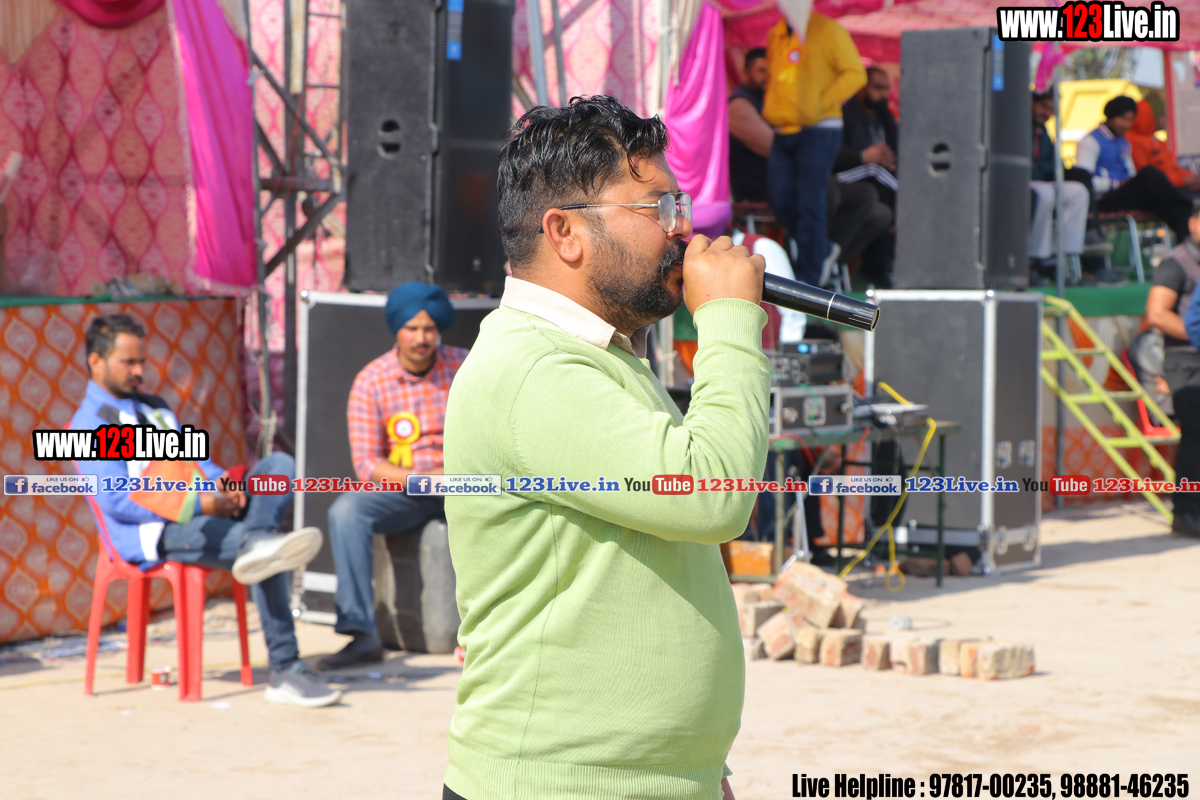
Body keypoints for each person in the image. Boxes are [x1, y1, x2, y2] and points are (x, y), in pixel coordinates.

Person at [441, 96, 769, 800]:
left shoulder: (600, 356)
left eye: (678, 206)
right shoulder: (534, 370)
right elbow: (712, 494)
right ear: (565, 232)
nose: (683, 230)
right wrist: (729, 321)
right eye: (657, 208)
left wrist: (701, 773)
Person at [70, 314, 340, 707]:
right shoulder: (88, 426)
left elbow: (195, 465)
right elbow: (119, 501)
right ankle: (285, 668)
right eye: (128, 362)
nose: (139, 371)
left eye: (141, 360)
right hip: (154, 532)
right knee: (265, 553)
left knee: (278, 466)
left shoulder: (156, 409)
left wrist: (222, 485)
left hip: (202, 511)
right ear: (96, 362)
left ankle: (257, 540)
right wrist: (200, 502)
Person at [317, 282, 468, 671]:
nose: (421, 338)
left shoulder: (466, 366)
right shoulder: (372, 380)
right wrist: (422, 479)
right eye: (411, 328)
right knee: (347, 511)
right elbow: (368, 465)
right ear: (396, 329)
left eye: (429, 329)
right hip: (409, 489)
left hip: (466, 483)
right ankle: (361, 633)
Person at [763, 12, 866, 286]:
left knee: (810, 201)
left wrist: (821, 102)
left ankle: (808, 277)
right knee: (780, 199)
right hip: (784, 129)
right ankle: (821, 249)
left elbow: (856, 74)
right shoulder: (776, 33)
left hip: (821, 129)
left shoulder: (828, 29)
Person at [1076, 95, 1192, 243]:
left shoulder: (1124, 142)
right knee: (1149, 174)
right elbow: (1083, 181)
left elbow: (1130, 174)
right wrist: (1116, 184)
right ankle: (1185, 206)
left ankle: (1187, 247)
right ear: (1111, 117)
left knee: (1176, 208)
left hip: (1122, 194)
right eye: (1123, 118)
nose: (1127, 124)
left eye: (1130, 120)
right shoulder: (1090, 142)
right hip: (1102, 199)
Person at [1157, 201, 1200, 537]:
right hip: (1184, 361)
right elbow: (1157, 314)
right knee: (1196, 436)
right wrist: (1195, 332)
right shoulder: (1177, 263)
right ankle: (1185, 511)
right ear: (1193, 223)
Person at [1028, 89, 1099, 285]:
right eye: (1043, 106)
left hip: (1040, 181)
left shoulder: (1043, 133)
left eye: (1051, 109)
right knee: (1045, 193)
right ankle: (1035, 257)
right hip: (1022, 183)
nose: (1046, 113)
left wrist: (1042, 168)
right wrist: (1041, 168)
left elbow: (1054, 165)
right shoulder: (1017, 125)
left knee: (1077, 191)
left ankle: (1059, 256)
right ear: (1031, 103)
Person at [1128, 98, 1200, 197]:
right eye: (1164, 115)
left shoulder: (1153, 140)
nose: (1166, 119)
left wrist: (1192, 177)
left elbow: (1172, 167)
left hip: (1173, 187)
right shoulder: (1135, 142)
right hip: (1160, 193)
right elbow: (1147, 176)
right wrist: (1183, 180)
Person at [728, 47, 772, 203]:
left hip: (772, 184)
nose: (767, 76)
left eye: (771, 71)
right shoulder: (739, 104)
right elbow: (773, 147)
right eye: (761, 70)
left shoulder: (765, 99)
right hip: (756, 190)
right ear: (745, 72)